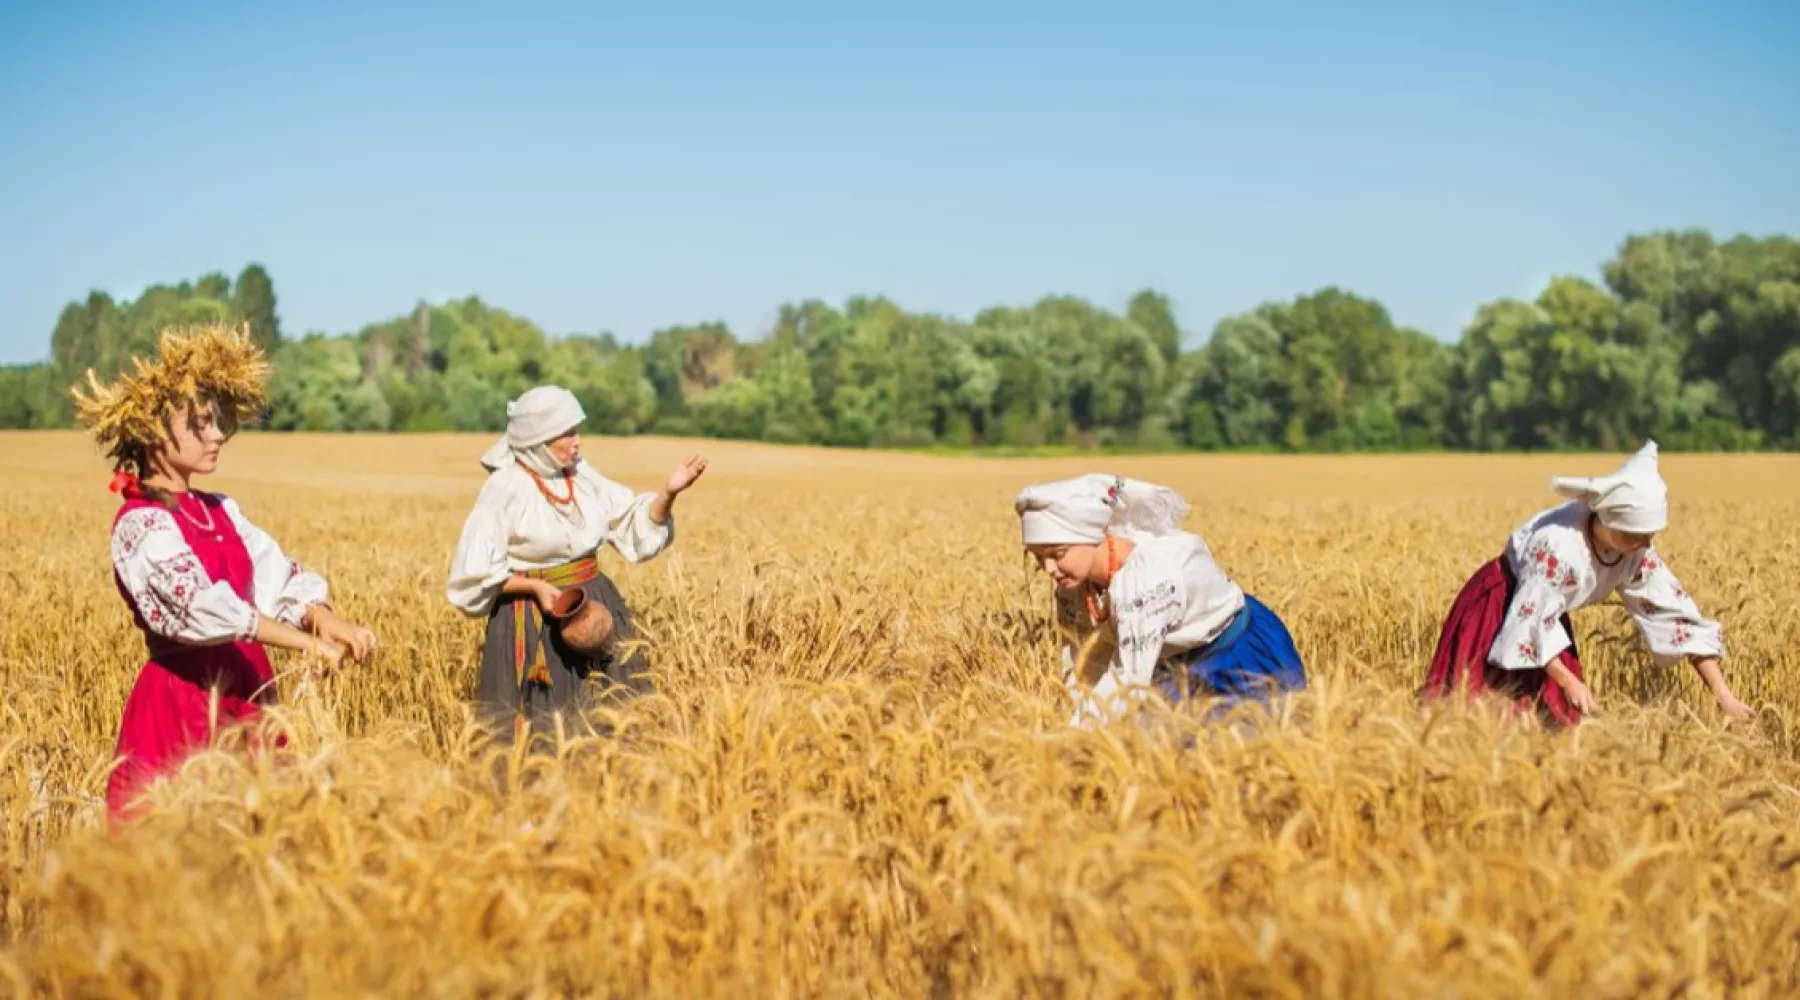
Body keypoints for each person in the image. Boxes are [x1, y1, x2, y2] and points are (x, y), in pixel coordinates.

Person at [71, 322, 377, 821]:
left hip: (249, 700)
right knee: (184, 854)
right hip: (185, 706)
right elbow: (198, 609)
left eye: (218, 422)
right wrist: (304, 644)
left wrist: (326, 621)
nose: (216, 435)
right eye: (199, 424)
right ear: (152, 431)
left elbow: (277, 578)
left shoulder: (220, 510)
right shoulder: (141, 526)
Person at [1421, 440, 1753, 726]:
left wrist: (1723, 694)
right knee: (1476, 715)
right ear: (1607, 519)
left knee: (1551, 727)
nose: (1646, 544)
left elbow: (1677, 617)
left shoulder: (1636, 553)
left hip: (1547, 624)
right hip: (1498, 609)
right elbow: (1530, 619)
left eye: (1650, 535)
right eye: (1636, 534)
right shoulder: (1558, 547)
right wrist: (1567, 680)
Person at [446, 386, 706, 739]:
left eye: (576, 430)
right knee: (541, 734)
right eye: (566, 434)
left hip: (595, 605)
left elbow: (631, 521)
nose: (577, 441)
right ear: (538, 440)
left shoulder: (580, 475)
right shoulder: (504, 489)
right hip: (533, 617)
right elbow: (471, 577)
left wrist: (669, 493)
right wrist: (535, 587)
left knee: (615, 718)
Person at [1014, 473, 1307, 728]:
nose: (1049, 569)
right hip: (1171, 662)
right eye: (1039, 558)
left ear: (1092, 536)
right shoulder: (1071, 584)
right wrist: (1073, 719)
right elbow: (1081, 660)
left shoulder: (1147, 579)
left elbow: (1128, 679)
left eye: (1058, 553)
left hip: (1239, 654)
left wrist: (1078, 737)